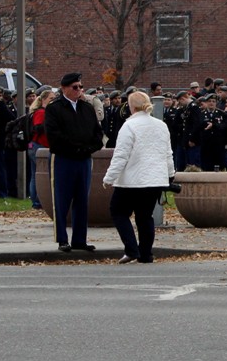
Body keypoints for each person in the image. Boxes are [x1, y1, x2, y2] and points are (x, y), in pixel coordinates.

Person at [103, 91, 175, 264]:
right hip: (155, 178)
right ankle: (146, 253)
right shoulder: (161, 125)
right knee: (145, 216)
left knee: (119, 211)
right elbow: (168, 153)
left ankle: (131, 248)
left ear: (131, 107)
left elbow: (121, 155)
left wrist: (109, 177)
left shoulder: (129, 126)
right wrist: (170, 174)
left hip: (132, 179)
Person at [44, 72, 104, 252]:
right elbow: (54, 136)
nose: (79, 90)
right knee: (61, 200)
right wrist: (75, 148)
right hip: (64, 159)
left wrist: (89, 148)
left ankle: (80, 239)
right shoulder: (55, 108)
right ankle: (62, 239)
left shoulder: (87, 108)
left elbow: (97, 133)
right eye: (75, 87)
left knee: (82, 200)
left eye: (80, 87)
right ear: (64, 89)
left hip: (84, 159)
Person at [27, 87, 55, 209]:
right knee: (39, 174)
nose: (53, 101)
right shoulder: (41, 112)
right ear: (43, 99)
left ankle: (37, 201)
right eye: (51, 99)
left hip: (40, 146)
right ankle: (37, 201)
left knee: (36, 174)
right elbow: (37, 128)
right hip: (38, 147)